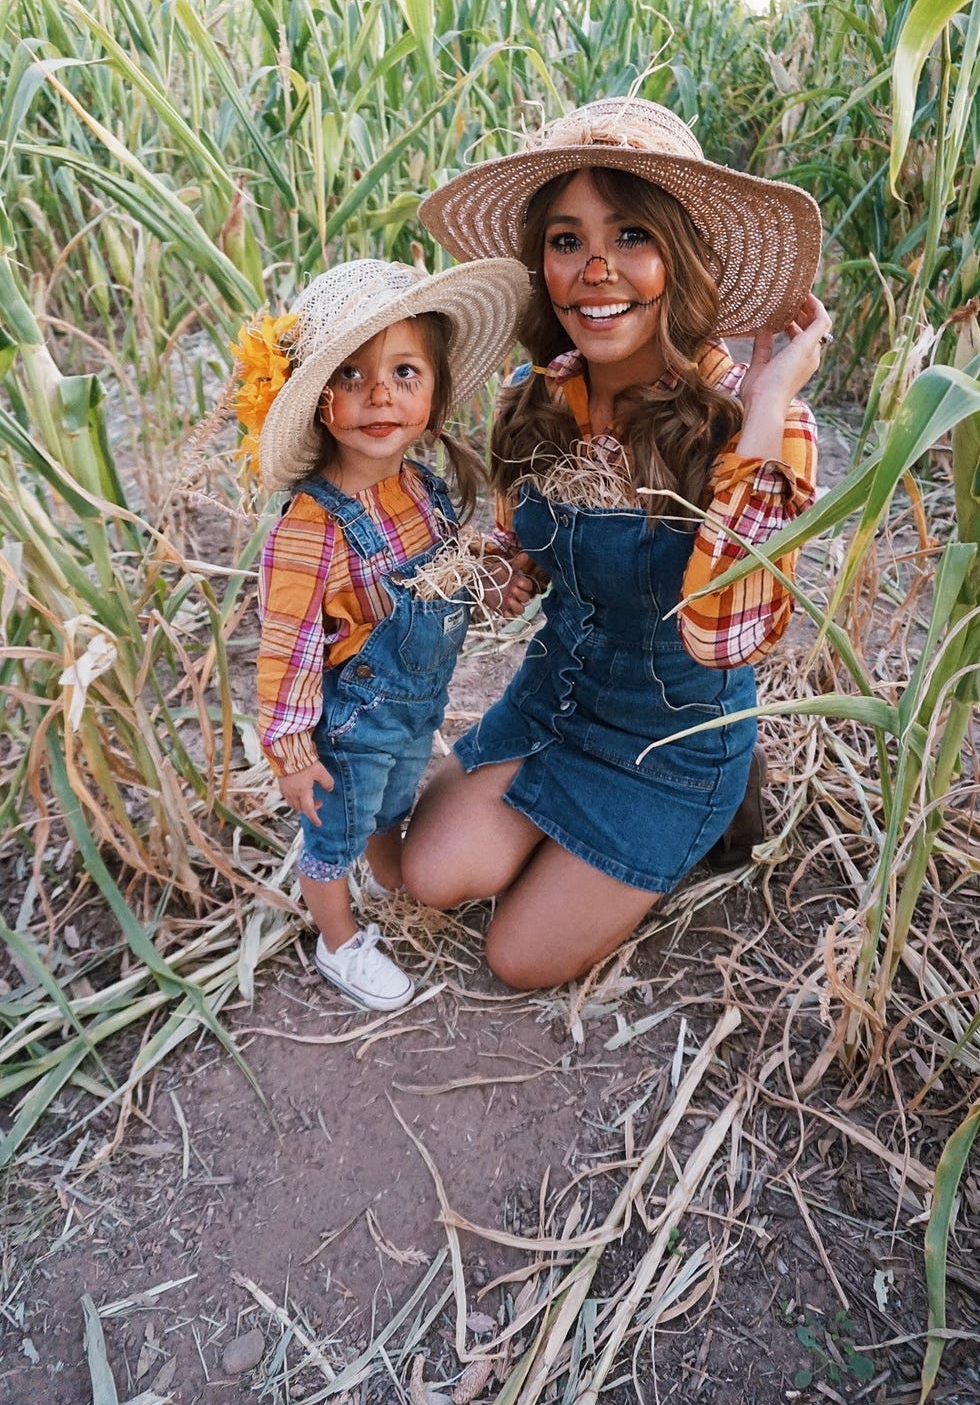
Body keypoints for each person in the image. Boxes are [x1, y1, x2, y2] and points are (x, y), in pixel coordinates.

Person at [402, 97, 830, 991]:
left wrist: (767, 400)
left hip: (670, 741)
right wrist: (505, 569)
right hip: (555, 701)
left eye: (631, 234)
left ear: (681, 256)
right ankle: (564, 840)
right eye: (566, 242)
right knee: (428, 875)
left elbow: (725, 636)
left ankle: (711, 807)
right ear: (541, 266)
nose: (596, 271)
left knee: (515, 959)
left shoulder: (754, 421)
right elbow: (522, 541)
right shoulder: (541, 394)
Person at [237, 257, 529, 1010]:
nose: (379, 395)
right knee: (333, 832)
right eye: (353, 376)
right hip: (352, 724)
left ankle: (385, 867)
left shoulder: (420, 487)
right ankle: (340, 944)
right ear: (319, 403)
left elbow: (448, 567)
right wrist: (292, 752)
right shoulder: (314, 527)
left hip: (415, 708)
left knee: (397, 798)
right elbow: (288, 649)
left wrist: (491, 574)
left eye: (404, 373)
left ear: (431, 400)